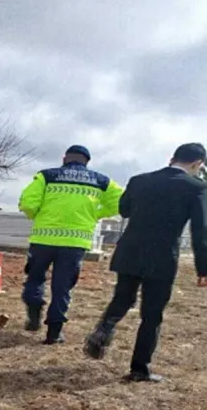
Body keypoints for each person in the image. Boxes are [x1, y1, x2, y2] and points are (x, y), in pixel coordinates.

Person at [84, 143, 207, 382]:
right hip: (161, 257)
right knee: (152, 314)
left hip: (129, 250)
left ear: (172, 158)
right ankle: (139, 369)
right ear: (197, 164)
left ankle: (104, 328)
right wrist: (203, 268)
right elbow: (200, 232)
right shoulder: (197, 188)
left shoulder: (139, 180)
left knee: (123, 297)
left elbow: (125, 210)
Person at [18, 145, 124, 344]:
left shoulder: (46, 176)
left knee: (35, 278)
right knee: (62, 287)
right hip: (75, 243)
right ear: (87, 162)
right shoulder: (101, 181)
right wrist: (94, 214)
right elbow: (122, 202)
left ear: (64, 158)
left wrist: (38, 216)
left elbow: (28, 203)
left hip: (43, 239)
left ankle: (34, 314)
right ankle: (54, 334)